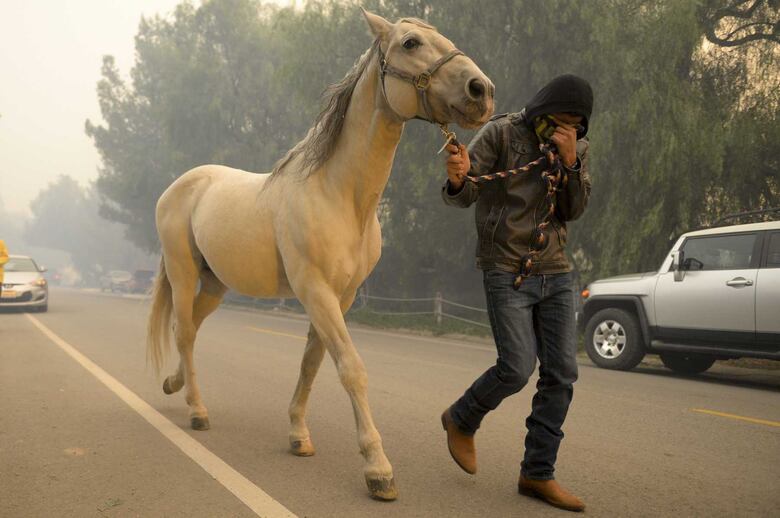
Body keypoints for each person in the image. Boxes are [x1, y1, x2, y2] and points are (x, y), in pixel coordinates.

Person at [440, 74, 593, 512]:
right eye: (557, 122)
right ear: (541, 110)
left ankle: (537, 473)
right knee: (516, 367)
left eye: (574, 125)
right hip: (506, 265)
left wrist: (569, 163)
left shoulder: (577, 148)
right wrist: (457, 179)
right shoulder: (503, 133)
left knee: (561, 374)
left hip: (556, 270)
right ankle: (462, 418)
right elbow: (464, 194)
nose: (563, 131)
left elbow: (574, 210)